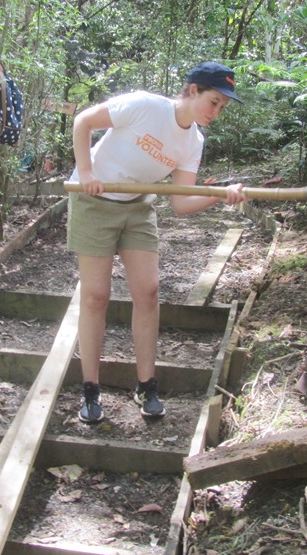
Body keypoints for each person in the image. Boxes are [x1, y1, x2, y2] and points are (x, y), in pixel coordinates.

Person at [68, 61, 247, 423]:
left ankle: (146, 386)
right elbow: (83, 121)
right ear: (193, 90)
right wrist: (85, 172)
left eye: (223, 107)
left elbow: (181, 203)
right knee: (96, 296)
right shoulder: (145, 106)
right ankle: (90, 390)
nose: (216, 112)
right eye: (213, 102)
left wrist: (220, 195)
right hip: (92, 201)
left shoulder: (193, 141)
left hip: (137, 207)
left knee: (148, 292)